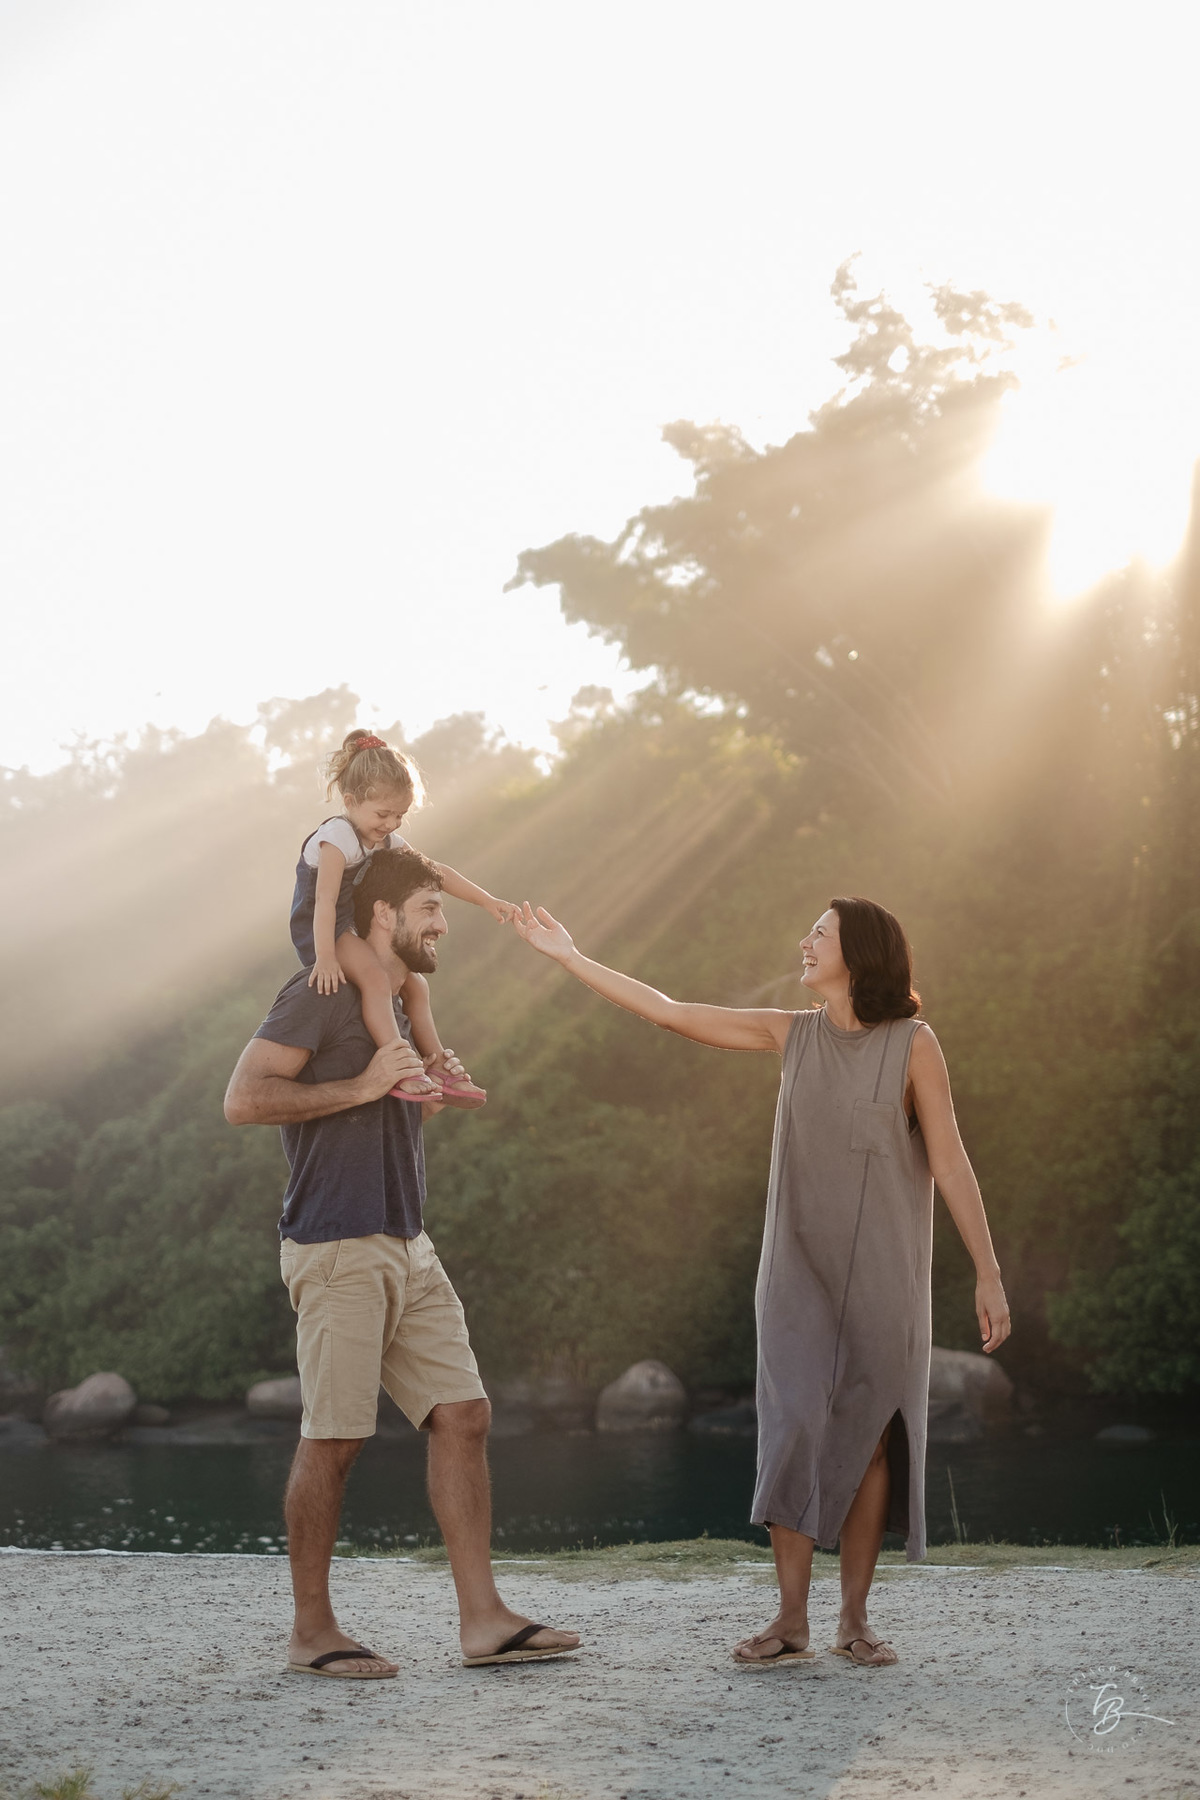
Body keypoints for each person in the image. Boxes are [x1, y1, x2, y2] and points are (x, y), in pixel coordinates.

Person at [511, 894, 1010, 1669]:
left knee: (872, 1438)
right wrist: (570, 957)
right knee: (790, 1430)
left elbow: (949, 1160)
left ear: (860, 953)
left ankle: (855, 1620)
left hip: (886, 1276)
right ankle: (789, 1619)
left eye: (820, 932)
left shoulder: (914, 1044)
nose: (803, 941)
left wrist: (989, 1270)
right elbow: (671, 1011)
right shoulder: (790, 1033)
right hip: (795, 1274)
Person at [224, 847, 580, 1678]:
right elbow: (243, 1099)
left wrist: (431, 1076)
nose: (441, 923)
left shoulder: (405, 1002)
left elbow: (401, 1093)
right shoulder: (318, 997)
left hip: (408, 1241)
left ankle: (483, 1621)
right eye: (429, 907)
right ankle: (313, 1633)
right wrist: (360, 1086)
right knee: (336, 1437)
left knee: (464, 1415)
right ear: (381, 914)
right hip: (337, 1245)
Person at [290, 728, 516, 1106]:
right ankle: (403, 1067)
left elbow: (435, 872)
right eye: (383, 814)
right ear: (350, 800)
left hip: (352, 925)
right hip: (323, 929)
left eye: (400, 815)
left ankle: (438, 1065)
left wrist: (486, 900)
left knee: (416, 987)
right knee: (376, 980)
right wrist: (325, 957)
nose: (392, 824)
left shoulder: (382, 839)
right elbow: (324, 902)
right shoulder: (337, 838)